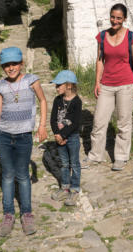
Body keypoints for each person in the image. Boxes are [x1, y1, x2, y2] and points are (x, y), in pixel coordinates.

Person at [0, 47, 47, 237]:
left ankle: (27, 213)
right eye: (6, 65)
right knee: (7, 175)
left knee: (22, 175)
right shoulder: (0, 86)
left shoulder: (32, 80)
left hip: (24, 136)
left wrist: (42, 126)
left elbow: (43, 101)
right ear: (3, 67)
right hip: (4, 136)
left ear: (21, 64)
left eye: (14, 64)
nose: (10, 68)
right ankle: (8, 214)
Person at [84, 3, 133, 171]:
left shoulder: (132, 37)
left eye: (118, 18)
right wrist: (97, 82)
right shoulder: (102, 36)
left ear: (124, 19)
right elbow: (100, 60)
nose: (114, 21)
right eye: (112, 17)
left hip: (125, 85)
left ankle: (121, 157)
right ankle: (95, 155)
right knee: (99, 122)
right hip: (106, 85)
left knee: (124, 123)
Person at [50, 70, 82, 206]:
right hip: (60, 138)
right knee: (64, 163)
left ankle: (74, 189)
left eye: (59, 85)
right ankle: (65, 186)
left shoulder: (77, 102)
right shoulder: (57, 100)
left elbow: (76, 123)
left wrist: (64, 135)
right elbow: (52, 119)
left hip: (72, 137)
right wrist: (57, 134)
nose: (56, 88)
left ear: (68, 85)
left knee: (74, 163)